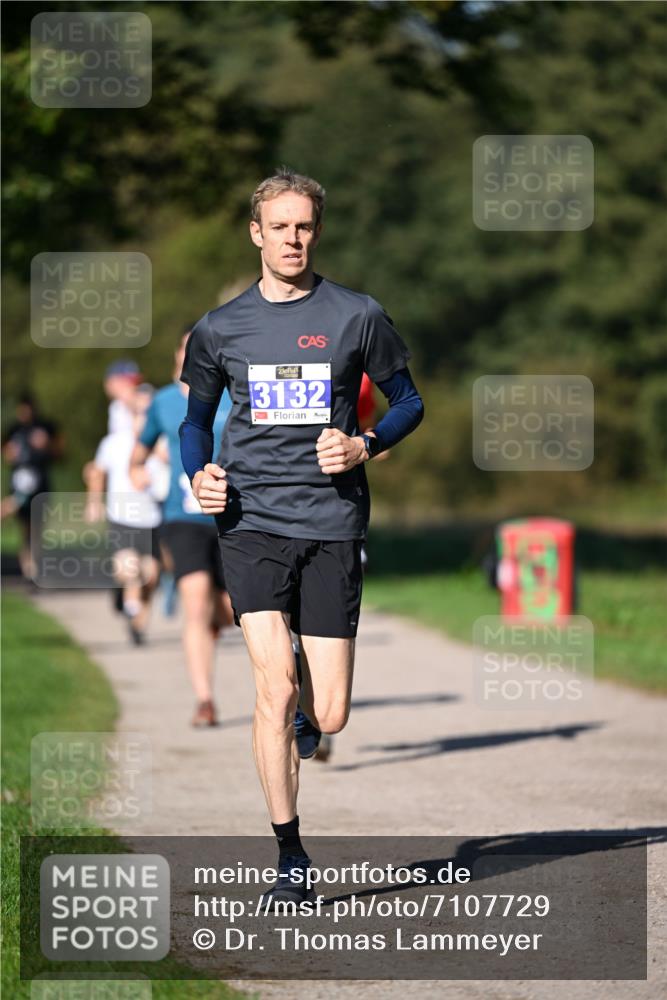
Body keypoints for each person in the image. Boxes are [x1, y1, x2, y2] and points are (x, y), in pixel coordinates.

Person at [179, 170, 424, 904]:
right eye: (280, 226)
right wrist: (199, 475)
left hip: (331, 520)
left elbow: (408, 402)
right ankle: (289, 853)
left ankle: (308, 720)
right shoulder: (220, 328)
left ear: (317, 231)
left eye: (304, 226)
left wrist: (364, 444)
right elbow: (195, 424)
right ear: (256, 232)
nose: (293, 239)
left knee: (331, 712)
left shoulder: (357, 316)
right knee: (274, 685)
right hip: (249, 519)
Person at [130, 329, 233, 726]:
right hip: (182, 517)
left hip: (232, 515)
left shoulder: (234, 395)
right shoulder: (163, 401)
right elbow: (139, 451)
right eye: (189, 347)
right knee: (195, 599)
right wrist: (136, 470)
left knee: (232, 609)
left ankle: (218, 618)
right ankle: (205, 700)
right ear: (178, 354)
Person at [85, 383, 163, 645]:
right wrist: (94, 502)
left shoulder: (163, 443)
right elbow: (97, 472)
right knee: (130, 568)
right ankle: (129, 604)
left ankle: (137, 624)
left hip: (153, 518)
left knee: (150, 576)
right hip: (122, 517)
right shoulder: (114, 443)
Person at [1, 392, 62, 580]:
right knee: (23, 527)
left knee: (35, 531)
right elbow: (6, 455)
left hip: (40, 485)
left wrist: (46, 445)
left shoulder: (46, 427)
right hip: (20, 484)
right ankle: (30, 571)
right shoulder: (14, 429)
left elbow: (60, 453)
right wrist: (11, 452)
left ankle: (33, 572)